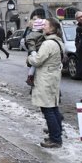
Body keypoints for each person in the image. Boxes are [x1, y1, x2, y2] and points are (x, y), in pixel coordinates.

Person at [26, 16, 65, 148]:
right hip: (52, 77)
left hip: (45, 78)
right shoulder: (59, 42)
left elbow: (37, 60)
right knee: (53, 107)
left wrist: (31, 54)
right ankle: (57, 132)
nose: (43, 26)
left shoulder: (48, 43)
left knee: (48, 109)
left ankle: (55, 138)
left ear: (52, 28)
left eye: (46, 25)